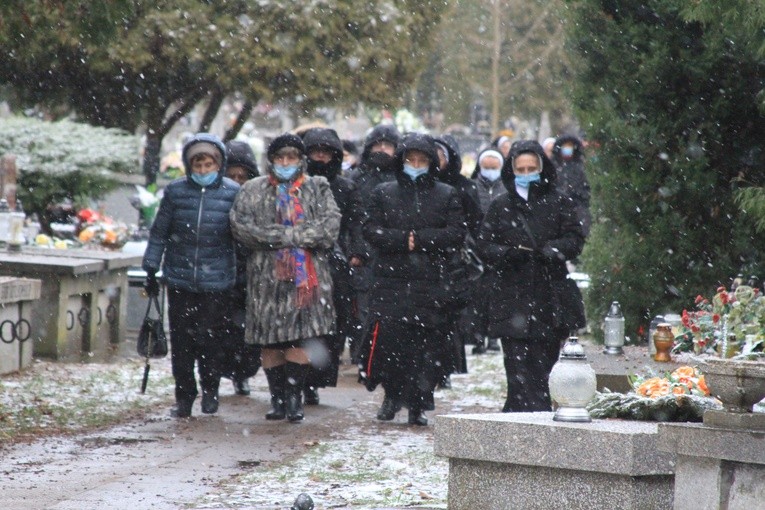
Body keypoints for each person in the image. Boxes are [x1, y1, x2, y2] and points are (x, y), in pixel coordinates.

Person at [229, 133, 341, 422]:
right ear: (271, 160)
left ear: (301, 160)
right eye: (280, 157)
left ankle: (294, 399)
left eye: (291, 157)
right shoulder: (253, 190)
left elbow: (328, 229)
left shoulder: (318, 187)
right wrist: (291, 237)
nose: (286, 163)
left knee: (301, 339)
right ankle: (277, 398)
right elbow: (243, 228)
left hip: (307, 281)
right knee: (271, 341)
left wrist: (281, 237)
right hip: (266, 281)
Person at [357, 133, 465, 426]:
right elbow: (370, 229)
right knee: (390, 345)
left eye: (421, 160)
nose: (416, 165)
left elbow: (455, 232)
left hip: (430, 283)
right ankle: (391, 395)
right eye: (410, 160)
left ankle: (419, 402)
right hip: (391, 280)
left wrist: (424, 241)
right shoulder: (383, 192)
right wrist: (403, 240)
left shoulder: (446, 194)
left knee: (426, 346)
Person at [476, 140, 585, 412]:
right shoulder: (501, 204)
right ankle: (518, 414)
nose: (526, 173)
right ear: (512, 171)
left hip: (548, 298)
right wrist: (507, 253)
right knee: (515, 369)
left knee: (542, 369)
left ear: (541, 168)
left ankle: (537, 415)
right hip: (510, 295)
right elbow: (484, 244)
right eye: (520, 168)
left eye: (531, 168)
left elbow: (575, 239)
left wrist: (553, 250)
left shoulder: (559, 201)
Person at [142, 133, 239, 418]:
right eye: (198, 166)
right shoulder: (175, 192)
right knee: (182, 342)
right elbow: (160, 232)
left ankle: (210, 388)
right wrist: (151, 266)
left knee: (211, 340)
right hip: (181, 279)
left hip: (217, 281)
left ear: (218, 165)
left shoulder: (233, 192)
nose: (203, 171)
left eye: (209, 165)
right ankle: (184, 395)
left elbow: (241, 234)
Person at [302, 128, 365, 405]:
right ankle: (299, 378)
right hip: (301, 262)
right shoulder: (297, 186)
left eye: (325, 153)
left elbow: (355, 225)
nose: (320, 157)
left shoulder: (346, 187)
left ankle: (317, 378)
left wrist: (354, 252)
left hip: (335, 263)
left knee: (332, 325)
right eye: (315, 152)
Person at [347, 124, 402, 361]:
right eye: (377, 144)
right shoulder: (355, 178)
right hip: (362, 253)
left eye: (387, 145)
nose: (382, 149)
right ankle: (361, 355)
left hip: (391, 251)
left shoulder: (400, 179)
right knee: (361, 309)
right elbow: (352, 219)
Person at [433, 135, 481, 385]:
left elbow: (475, 224)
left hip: (453, 260)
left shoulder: (464, 187)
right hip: (425, 259)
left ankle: (446, 369)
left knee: (449, 319)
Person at [221, 140, 262, 396]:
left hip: (251, 272)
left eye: (242, 176)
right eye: (231, 175)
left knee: (248, 331)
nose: (237, 180)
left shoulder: (258, 199)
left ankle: (243, 373)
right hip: (223, 271)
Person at [551, 134, 591, 237]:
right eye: (565, 146)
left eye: (570, 146)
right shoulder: (552, 168)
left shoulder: (581, 168)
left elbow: (586, 190)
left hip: (578, 211)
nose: (567, 149)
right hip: (556, 211)